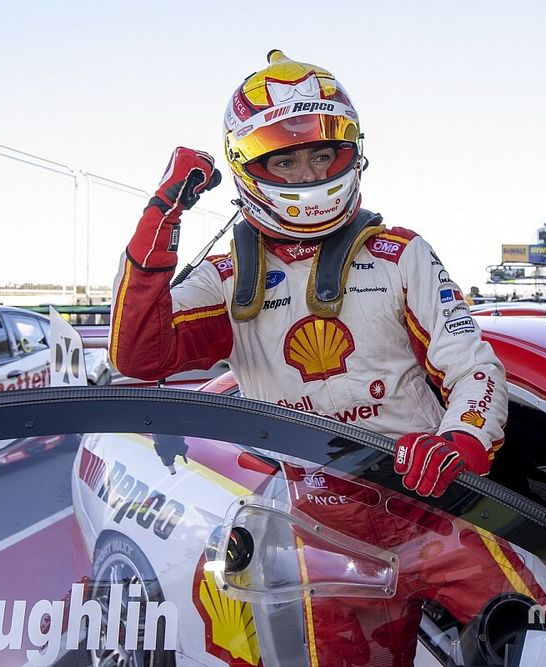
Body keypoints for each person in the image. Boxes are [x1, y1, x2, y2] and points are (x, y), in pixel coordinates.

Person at [110, 50, 507, 498]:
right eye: (285, 162)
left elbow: (471, 364)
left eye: (322, 155)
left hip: (424, 493)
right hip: (309, 509)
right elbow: (139, 357)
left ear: (350, 152)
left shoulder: (400, 255)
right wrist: (162, 215)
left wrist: (461, 439)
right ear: (250, 168)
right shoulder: (222, 278)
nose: (309, 174)